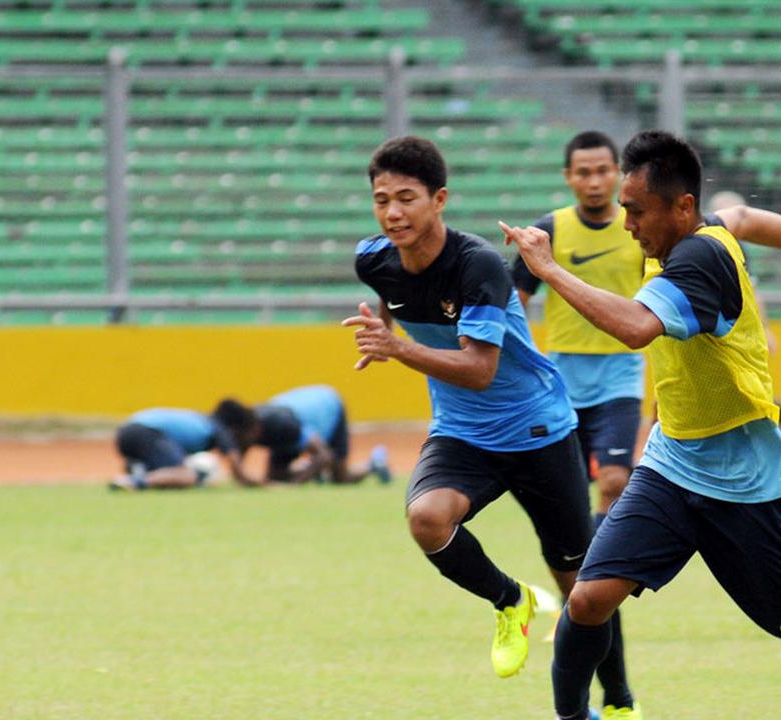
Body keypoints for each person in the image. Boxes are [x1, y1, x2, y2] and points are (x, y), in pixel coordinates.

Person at [504, 130, 781, 720]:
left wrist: (550, 270)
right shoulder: (694, 230)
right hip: (672, 466)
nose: (626, 223)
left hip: (747, 484)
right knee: (588, 599)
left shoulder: (700, 258)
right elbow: (743, 216)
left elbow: (637, 327)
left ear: (681, 207)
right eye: (624, 209)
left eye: (635, 211)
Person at [344, 136, 637, 716]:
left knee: (584, 589)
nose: (393, 212)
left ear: (439, 200)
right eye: (382, 200)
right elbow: (391, 299)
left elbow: (479, 369)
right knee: (427, 520)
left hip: (538, 432)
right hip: (462, 433)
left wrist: (397, 348)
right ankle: (512, 602)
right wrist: (381, 332)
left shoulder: (476, 265)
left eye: (407, 198)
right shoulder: (372, 259)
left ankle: (621, 701)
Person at [510, 131, 645, 527]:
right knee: (565, 487)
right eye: (583, 172)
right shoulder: (549, 229)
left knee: (614, 480)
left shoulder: (636, 228)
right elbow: (515, 301)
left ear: (619, 173)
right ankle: (581, 568)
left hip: (621, 371)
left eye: (603, 171)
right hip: (563, 376)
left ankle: (596, 568)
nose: (594, 181)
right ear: (568, 176)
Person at [111, 399, 263, 490]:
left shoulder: (201, 419)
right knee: (186, 475)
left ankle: (137, 470)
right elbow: (239, 473)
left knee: (169, 469)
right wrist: (262, 484)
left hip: (126, 431)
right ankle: (134, 482)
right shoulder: (217, 428)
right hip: (147, 432)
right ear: (235, 427)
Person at [255, 384, 390, 485]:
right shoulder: (260, 422)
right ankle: (314, 469)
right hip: (302, 417)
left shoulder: (285, 423)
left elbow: (324, 455)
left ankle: (373, 465)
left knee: (340, 478)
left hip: (330, 409)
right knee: (276, 476)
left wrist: (294, 484)